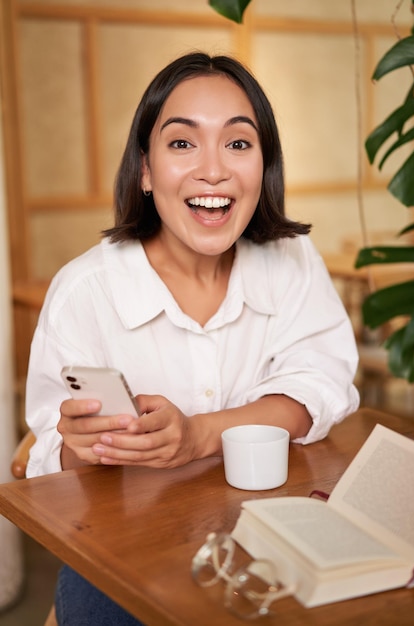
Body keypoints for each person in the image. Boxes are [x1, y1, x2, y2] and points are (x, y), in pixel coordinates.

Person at [25, 51, 359, 625]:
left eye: (238, 143)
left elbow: (320, 384)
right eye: (182, 143)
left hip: (273, 540)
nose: (213, 170)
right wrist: (81, 444)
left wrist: (197, 435)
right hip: (126, 556)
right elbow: (54, 470)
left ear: (264, 166)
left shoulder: (292, 261)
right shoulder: (85, 291)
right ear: (146, 170)